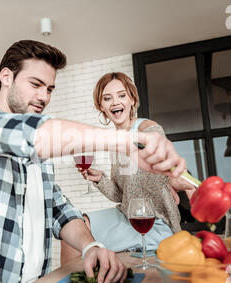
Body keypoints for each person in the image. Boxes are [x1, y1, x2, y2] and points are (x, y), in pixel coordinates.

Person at [0, 41, 187, 283]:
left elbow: (59, 210)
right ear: (6, 77)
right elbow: (32, 133)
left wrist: (90, 246)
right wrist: (128, 140)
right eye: (35, 84)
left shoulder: (40, 159)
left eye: (49, 89)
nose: (44, 97)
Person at [61, 72, 196, 265]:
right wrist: (100, 179)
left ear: (132, 99)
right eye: (107, 98)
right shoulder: (115, 144)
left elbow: (167, 167)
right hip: (127, 216)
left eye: (122, 95)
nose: (115, 102)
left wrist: (179, 182)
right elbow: (120, 195)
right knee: (74, 224)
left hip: (155, 222)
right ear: (101, 106)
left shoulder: (149, 130)